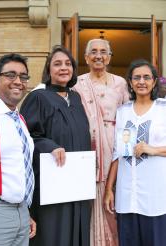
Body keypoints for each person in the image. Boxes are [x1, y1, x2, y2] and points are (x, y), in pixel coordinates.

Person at [20, 45, 91, 246]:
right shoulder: (38, 97)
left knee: (77, 229)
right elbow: (26, 137)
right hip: (51, 181)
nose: (63, 68)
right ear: (48, 70)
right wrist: (49, 145)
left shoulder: (75, 98)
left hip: (77, 182)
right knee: (53, 232)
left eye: (68, 64)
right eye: (57, 64)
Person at [73, 38, 129, 246]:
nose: (98, 55)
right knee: (88, 204)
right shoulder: (77, 83)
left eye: (103, 52)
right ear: (86, 58)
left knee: (114, 201)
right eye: (93, 52)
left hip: (114, 150)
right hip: (87, 150)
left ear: (109, 57)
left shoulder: (120, 83)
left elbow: (128, 118)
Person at [104, 59, 166, 246]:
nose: (141, 81)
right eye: (136, 77)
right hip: (127, 195)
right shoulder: (123, 112)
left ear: (154, 81)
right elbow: (117, 153)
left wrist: (152, 149)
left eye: (147, 77)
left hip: (156, 196)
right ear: (130, 82)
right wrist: (109, 189)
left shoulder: (163, 109)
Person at [0, 53, 36, 246]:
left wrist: (24, 213)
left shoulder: (18, 119)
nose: (18, 81)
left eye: (23, 77)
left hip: (21, 211)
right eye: (11, 75)